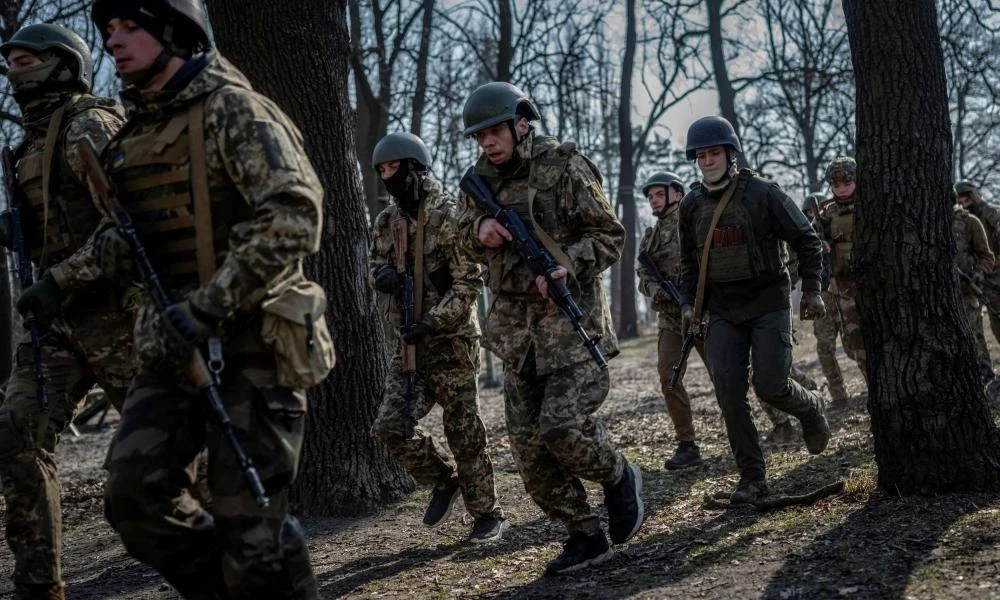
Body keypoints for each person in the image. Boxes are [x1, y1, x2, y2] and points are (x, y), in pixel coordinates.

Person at [90, 1, 334, 598]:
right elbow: (129, 233)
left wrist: (208, 305)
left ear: (174, 32)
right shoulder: (133, 135)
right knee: (134, 497)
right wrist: (103, 256)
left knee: (250, 531)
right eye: (107, 31)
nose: (113, 43)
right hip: (171, 347)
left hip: (253, 341)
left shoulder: (233, 109)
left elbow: (295, 214)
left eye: (130, 27)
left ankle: (263, 562)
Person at [457, 82, 643, 575]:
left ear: (521, 123)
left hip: (569, 326)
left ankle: (621, 474)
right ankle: (585, 536)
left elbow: (610, 235)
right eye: (479, 137)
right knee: (531, 459)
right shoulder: (477, 181)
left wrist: (568, 265)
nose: (487, 144)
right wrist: (478, 232)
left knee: (560, 429)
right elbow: (459, 236)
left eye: (494, 131)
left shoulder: (564, 165)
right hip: (516, 337)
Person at [0, 23, 134, 600]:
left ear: (62, 64)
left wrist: (59, 278)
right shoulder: (27, 143)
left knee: (174, 450)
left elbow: (127, 228)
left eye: (26, 61)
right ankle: (39, 585)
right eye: (10, 64)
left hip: (118, 315)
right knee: (15, 433)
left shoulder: (90, 123)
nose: (13, 72)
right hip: (52, 324)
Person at [677, 116, 831, 504]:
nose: (707, 160)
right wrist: (685, 304)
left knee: (771, 386)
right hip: (723, 310)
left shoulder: (763, 193)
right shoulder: (691, 205)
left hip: (767, 302)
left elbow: (807, 240)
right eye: (701, 155)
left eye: (714, 153)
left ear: (730, 154)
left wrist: (812, 290)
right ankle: (752, 478)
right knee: (728, 392)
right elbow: (688, 264)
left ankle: (811, 407)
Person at [368, 132, 506, 542]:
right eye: (381, 171)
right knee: (391, 426)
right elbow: (374, 261)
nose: (387, 177)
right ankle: (444, 481)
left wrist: (432, 321)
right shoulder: (386, 222)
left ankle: (487, 515)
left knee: (464, 430)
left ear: (415, 168)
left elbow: (468, 284)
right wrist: (381, 276)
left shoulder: (448, 215)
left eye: (394, 168)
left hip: (452, 342)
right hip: (407, 344)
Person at [637, 171, 708, 469]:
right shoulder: (650, 237)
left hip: (705, 311)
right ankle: (687, 445)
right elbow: (643, 276)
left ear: (676, 194)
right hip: (670, 318)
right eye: (650, 196)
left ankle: (754, 431)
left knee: (727, 376)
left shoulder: (693, 221)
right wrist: (656, 292)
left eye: (658, 194)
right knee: (669, 376)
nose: (653, 200)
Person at [800, 192, 850, 406]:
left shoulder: (838, 227)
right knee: (825, 348)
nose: (814, 215)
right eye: (810, 212)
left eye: (817, 210)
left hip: (845, 294)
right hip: (823, 297)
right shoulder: (805, 237)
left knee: (853, 346)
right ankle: (838, 394)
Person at [819, 157, 867, 377]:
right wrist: (821, 244)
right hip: (845, 289)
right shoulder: (827, 215)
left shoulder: (870, 207)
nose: (841, 190)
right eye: (836, 186)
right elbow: (810, 241)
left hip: (874, 283)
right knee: (857, 344)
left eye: (846, 184)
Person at [951, 200, 995, 381]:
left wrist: (976, 276)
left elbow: (987, 256)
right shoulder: (930, 224)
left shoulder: (970, 222)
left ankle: (983, 374)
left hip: (967, 290)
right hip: (942, 294)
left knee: (973, 333)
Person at [956, 180, 1000, 357]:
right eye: (959, 202)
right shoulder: (964, 221)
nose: (962, 205)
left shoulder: (991, 215)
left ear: (973, 197)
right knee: (983, 328)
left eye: (965, 200)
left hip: (994, 276)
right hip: (978, 279)